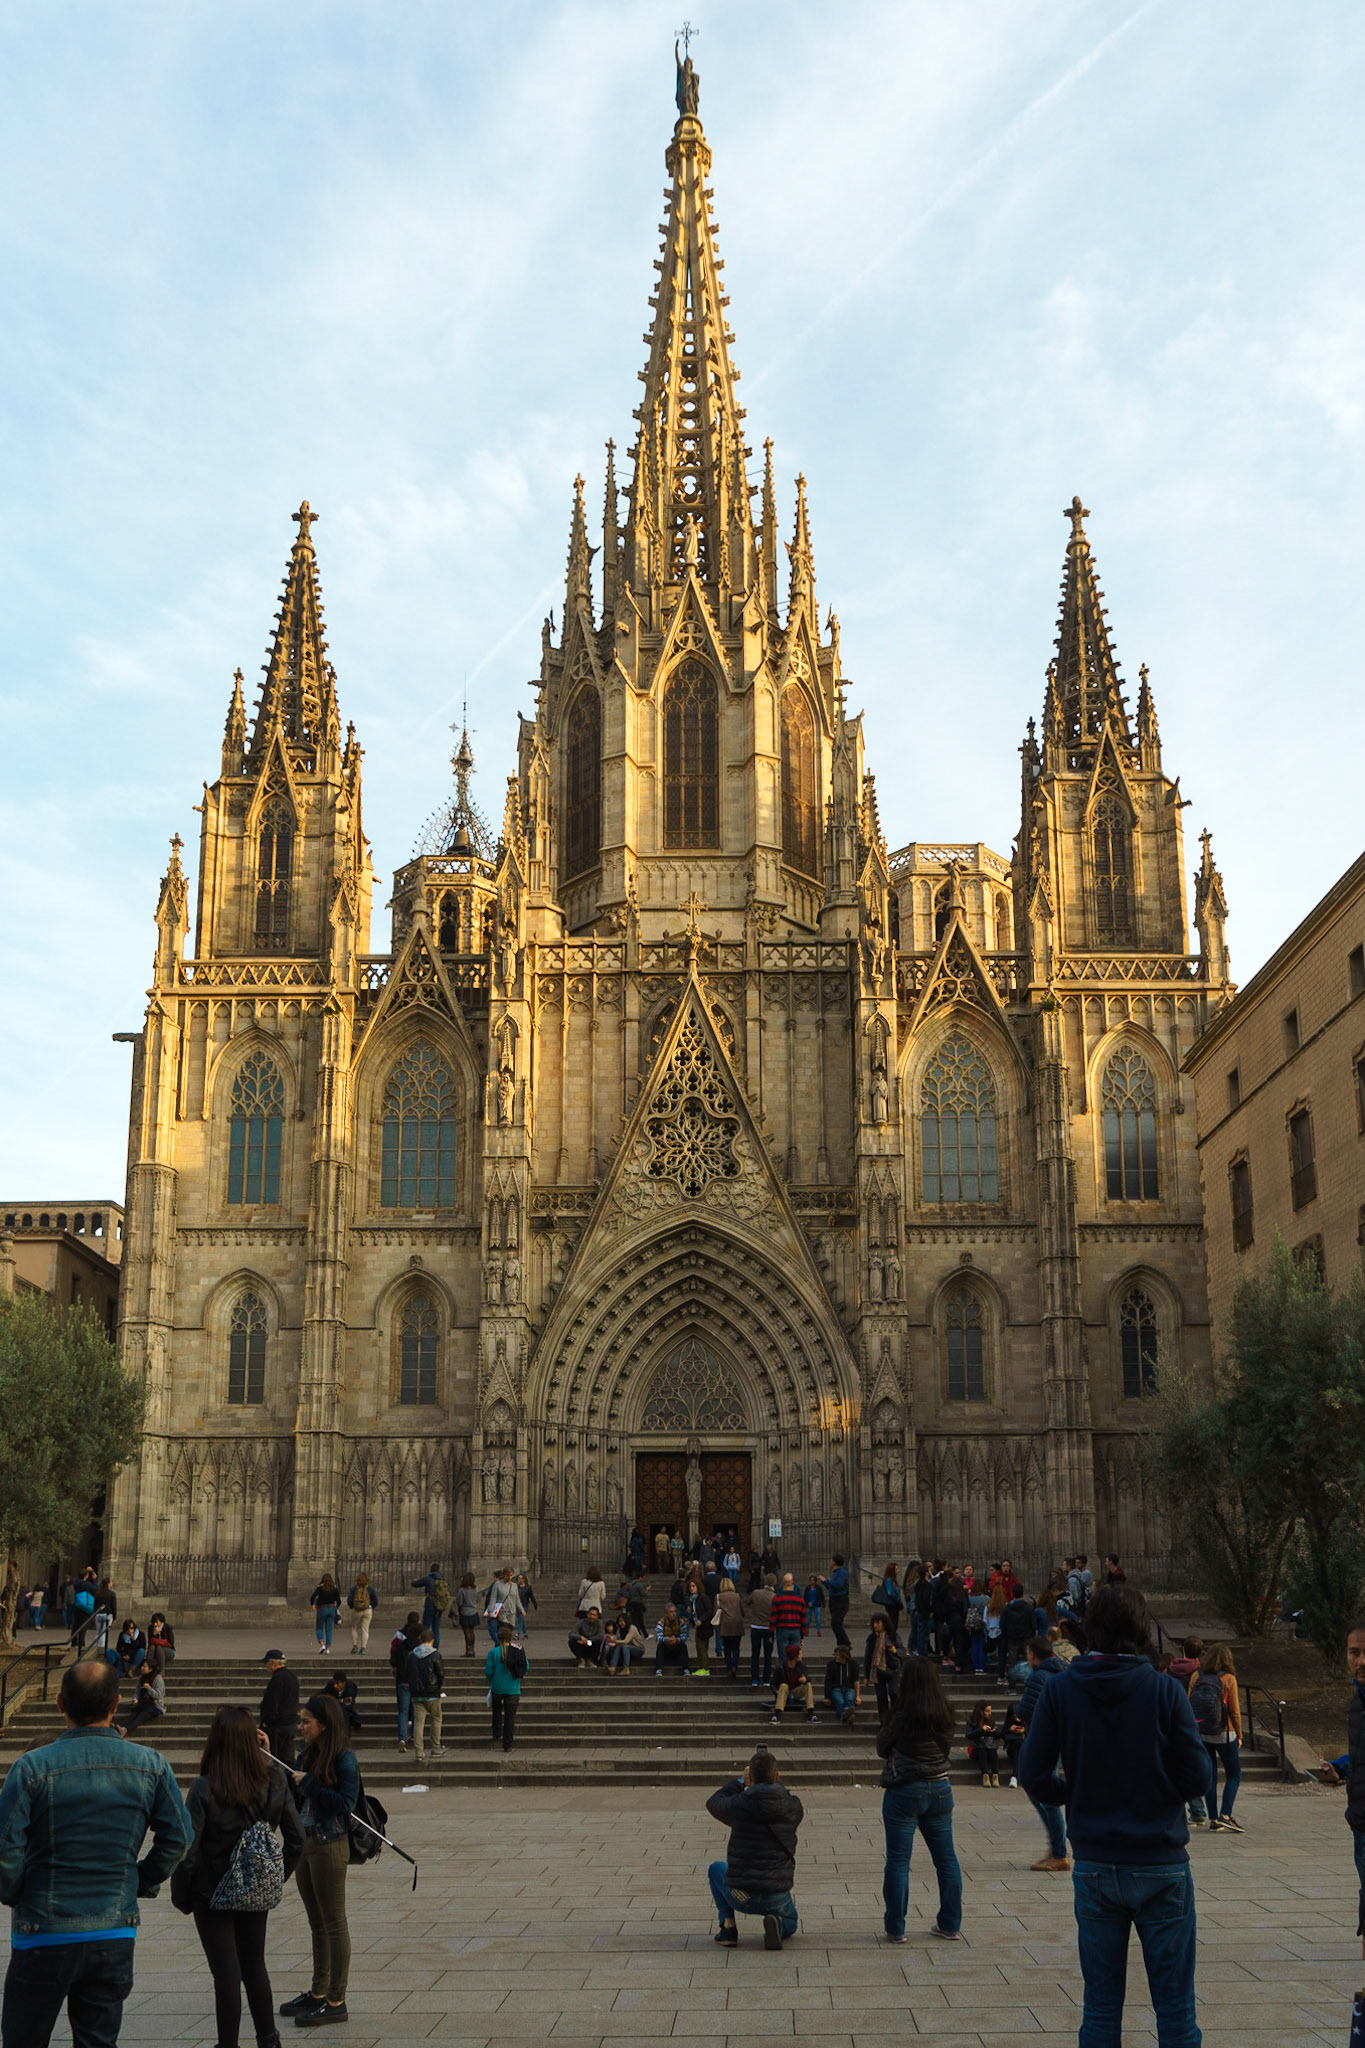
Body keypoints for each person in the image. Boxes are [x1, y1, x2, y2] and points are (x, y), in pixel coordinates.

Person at [1019, 1581, 1210, 2048]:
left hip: (1098, 1862)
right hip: (1161, 1859)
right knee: (1176, 2012)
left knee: (1101, 2010)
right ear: (1140, 1630)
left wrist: (1071, 1792)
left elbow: (1032, 1772)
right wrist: (1161, 1793)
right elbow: (1198, 1778)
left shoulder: (1062, 1690)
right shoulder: (1165, 1692)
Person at [0, 1659, 191, 2048]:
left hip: (44, 1928)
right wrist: (142, 1878)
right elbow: (180, 1837)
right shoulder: (150, 1765)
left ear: (59, 1704)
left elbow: (5, 1848)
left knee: (23, 2038)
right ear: (116, 1703)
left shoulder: (31, 1767)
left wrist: (17, 1890)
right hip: (113, 1927)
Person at [182, 1704, 303, 2048]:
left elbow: (189, 1847)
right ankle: (268, 2039)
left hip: (212, 1890)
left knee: (226, 1975)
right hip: (253, 1886)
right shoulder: (273, 1779)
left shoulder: (205, 1787)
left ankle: (228, 2044)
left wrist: (186, 1891)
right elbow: (297, 1838)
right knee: (255, 1967)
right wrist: (275, 1877)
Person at [282, 1694, 358, 2030]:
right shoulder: (307, 1754)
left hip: (330, 1845)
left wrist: (310, 1784)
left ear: (324, 1724)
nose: (301, 1727)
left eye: (306, 1722)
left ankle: (336, 1998)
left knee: (333, 1921)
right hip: (306, 1845)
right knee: (316, 1922)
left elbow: (346, 1803)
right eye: (299, 1721)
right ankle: (318, 1991)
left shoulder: (344, 1758)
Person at [876, 1656, 962, 1943]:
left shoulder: (901, 1714)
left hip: (905, 1790)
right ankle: (950, 1923)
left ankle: (896, 1928)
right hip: (940, 1788)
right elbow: (947, 1748)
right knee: (946, 1860)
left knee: (899, 1861)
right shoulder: (945, 1712)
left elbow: (881, 1747)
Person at [705, 1751, 803, 1949]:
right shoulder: (793, 1806)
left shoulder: (740, 1804)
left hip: (741, 1894)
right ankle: (779, 1924)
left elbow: (713, 1802)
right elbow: (781, 1797)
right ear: (777, 1776)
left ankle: (728, 1928)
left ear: (751, 1777)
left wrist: (741, 1781)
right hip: (776, 1893)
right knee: (792, 1921)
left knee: (715, 1869)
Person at [1018, 1636, 1068, 1870]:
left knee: (1044, 1795)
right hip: (1057, 1738)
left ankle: (1058, 1853)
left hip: (1043, 1740)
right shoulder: (1060, 1673)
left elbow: (1025, 1709)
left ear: (1034, 1655)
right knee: (1041, 1791)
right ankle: (1056, 1849)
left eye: (1028, 1653)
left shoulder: (1039, 1676)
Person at [1188, 1646, 1243, 1833]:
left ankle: (1212, 1818)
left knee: (1210, 1776)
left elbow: (1189, 1702)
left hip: (1201, 1731)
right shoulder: (1228, 1679)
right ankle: (1225, 1815)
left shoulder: (1197, 1676)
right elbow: (1235, 1712)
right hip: (1224, 1733)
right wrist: (1240, 1735)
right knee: (1234, 1774)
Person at [486, 1623, 527, 1749]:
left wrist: (492, 1679)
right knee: (510, 1717)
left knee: (497, 1711)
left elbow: (488, 1671)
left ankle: (497, 1733)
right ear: (510, 1638)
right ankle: (507, 1743)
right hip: (513, 1689)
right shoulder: (517, 1651)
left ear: (498, 1638)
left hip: (497, 1688)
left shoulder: (493, 1652)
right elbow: (526, 1666)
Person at [407, 1627, 446, 1762]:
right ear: (432, 1641)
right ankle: (435, 1747)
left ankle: (419, 1752)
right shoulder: (435, 1655)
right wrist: (437, 1687)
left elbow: (408, 1673)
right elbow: (440, 1673)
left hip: (417, 1694)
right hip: (432, 1693)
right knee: (436, 1718)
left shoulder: (412, 1655)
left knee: (418, 1722)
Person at [258, 1649, 300, 1764]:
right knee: (288, 1758)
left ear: (272, 1663)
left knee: (276, 1760)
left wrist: (267, 1721)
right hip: (290, 1724)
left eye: (266, 1663)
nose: (266, 1666)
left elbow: (272, 1704)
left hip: (278, 1728)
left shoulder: (277, 1679)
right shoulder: (292, 1677)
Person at [389, 1610, 422, 1753]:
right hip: (415, 1681)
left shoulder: (400, 1645)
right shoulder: (420, 1647)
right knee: (415, 1710)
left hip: (402, 1679)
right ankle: (415, 1734)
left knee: (403, 1711)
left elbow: (393, 1660)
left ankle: (402, 1738)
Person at [864, 1612, 904, 1723]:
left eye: (878, 1623)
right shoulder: (871, 1638)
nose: (875, 1625)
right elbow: (867, 1657)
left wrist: (896, 1651)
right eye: (874, 1623)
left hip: (892, 1669)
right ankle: (884, 1723)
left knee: (894, 1693)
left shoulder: (893, 1636)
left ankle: (896, 1719)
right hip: (877, 1671)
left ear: (884, 1623)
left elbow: (903, 1651)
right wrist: (866, 1675)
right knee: (881, 1699)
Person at [117, 1653, 167, 1737]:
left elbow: (158, 1696)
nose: (142, 1668)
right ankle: (119, 1727)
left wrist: (149, 1688)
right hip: (143, 1703)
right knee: (133, 1713)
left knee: (141, 1716)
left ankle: (125, 1730)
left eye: (145, 1667)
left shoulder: (158, 1679)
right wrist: (135, 1698)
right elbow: (137, 1692)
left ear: (150, 1669)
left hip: (155, 1705)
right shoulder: (141, 1678)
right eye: (142, 1666)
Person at [771, 1640, 817, 1724]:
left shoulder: (801, 1666)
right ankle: (776, 1715)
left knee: (808, 1685)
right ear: (795, 1657)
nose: (802, 1656)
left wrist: (805, 1679)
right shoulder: (780, 1667)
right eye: (800, 1654)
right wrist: (776, 1692)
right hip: (784, 1692)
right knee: (784, 1686)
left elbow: (808, 1678)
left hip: (796, 1692)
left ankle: (811, 1714)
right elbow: (773, 1684)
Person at [769, 1573, 808, 1669]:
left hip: (782, 1630)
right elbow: (803, 1619)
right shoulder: (799, 1599)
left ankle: (784, 1680)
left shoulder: (777, 1598)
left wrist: (771, 1634)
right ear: (792, 1583)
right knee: (795, 1657)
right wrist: (802, 1635)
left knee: (783, 1658)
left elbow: (773, 1617)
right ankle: (794, 1678)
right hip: (796, 1630)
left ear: (782, 1583)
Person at [747, 1574, 775, 1688]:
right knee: (768, 1655)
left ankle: (754, 1679)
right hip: (768, 1628)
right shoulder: (774, 1596)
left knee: (755, 1654)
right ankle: (767, 1679)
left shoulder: (756, 1593)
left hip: (756, 1626)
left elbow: (748, 1602)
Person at [823, 1642, 861, 1724]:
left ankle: (845, 1715)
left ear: (844, 1657)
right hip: (836, 1688)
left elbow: (856, 1680)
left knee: (849, 1698)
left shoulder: (853, 1664)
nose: (836, 1657)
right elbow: (828, 1681)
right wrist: (827, 1696)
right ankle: (847, 1715)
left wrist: (858, 1696)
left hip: (849, 1688)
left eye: (838, 1655)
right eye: (835, 1655)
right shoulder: (831, 1664)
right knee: (839, 1700)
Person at [714, 1575, 744, 1677]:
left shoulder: (719, 1596)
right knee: (736, 1647)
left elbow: (715, 1611)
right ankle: (735, 1665)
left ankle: (729, 1667)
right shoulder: (737, 1596)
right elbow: (742, 1610)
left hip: (725, 1625)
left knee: (726, 1648)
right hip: (737, 1624)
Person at [966, 1701, 1001, 1785]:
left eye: (990, 1711)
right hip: (976, 1747)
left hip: (988, 1745)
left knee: (992, 1751)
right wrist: (981, 1730)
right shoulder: (972, 1721)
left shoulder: (991, 1721)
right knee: (982, 1751)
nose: (990, 1713)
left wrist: (994, 1732)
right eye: (987, 1711)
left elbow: (998, 1736)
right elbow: (968, 1735)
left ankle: (995, 1776)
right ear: (981, 1712)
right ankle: (985, 1775)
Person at [483, 1567, 522, 1643]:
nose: (509, 1577)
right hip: (502, 1613)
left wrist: (521, 1609)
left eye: (511, 1575)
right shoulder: (497, 1585)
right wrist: (490, 1611)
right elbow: (493, 1598)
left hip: (512, 1614)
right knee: (504, 1634)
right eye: (507, 1575)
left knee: (508, 1634)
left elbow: (517, 1599)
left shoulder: (514, 1586)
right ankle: (503, 1651)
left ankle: (501, 1651)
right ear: (503, 1575)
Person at [654, 1604, 692, 1677]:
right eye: (671, 1612)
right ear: (667, 1613)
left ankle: (686, 1669)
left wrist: (677, 1640)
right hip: (666, 1648)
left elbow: (685, 1636)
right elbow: (658, 1637)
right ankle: (659, 1669)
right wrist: (667, 1639)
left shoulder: (680, 1622)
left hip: (676, 1647)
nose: (674, 1614)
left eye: (675, 1612)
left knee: (683, 1645)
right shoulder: (661, 1622)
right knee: (660, 1645)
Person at [410, 1563, 444, 1644]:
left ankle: (425, 1645)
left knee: (425, 1627)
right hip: (439, 1606)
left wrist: (413, 1581)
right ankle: (435, 1648)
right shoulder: (442, 1579)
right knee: (436, 1630)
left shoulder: (428, 1578)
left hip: (430, 1605)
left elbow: (415, 1584)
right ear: (438, 1570)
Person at [822, 1554, 851, 1649]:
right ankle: (840, 1645)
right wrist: (825, 1582)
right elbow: (831, 1586)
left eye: (831, 1560)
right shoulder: (835, 1572)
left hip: (841, 1600)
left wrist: (826, 1581)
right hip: (834, 1600)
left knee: (835, 1623)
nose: (830, 1562)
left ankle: (846, 1642)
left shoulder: (842, 1572)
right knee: (838, 1623)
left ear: (834, 1562)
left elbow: (838, 1585)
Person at [322, 1672, 363, 1736]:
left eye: (338, 1683)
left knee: (344, 1709)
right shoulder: (330, 1685)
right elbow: (321, 1695)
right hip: (334, 1712)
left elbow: (349, 1702)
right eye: (334, 1683)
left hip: (347, 1713)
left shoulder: (350, 1687)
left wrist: (334, 1702)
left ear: (344, 1683)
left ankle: (345, 1735)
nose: (335, 1686)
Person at [309, 1575, 341, 1656]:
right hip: (332, 1609)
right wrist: (336, 1607)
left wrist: (312, 1604)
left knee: (319, 1628)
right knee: (329, 1629)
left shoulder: (320, 1588)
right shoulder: (334, 1588)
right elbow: (339, 1600)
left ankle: (322, 1644)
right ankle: (328, 1648)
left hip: (322, 1609)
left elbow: (313, 1596)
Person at [345, 1573, 374, 1654]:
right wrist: (370, 1606)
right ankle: (363, 1648)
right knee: (365, 1629)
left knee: (354, 1628)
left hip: (356, 1610)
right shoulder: (370, 1589)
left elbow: (349, 1600)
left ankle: (355, 1646)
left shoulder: (354, 1589)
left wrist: (352, 1606)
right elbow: (375, 1601)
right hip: (367, 1610)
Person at [874, 1563, 904, 1639]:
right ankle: (890, 1639)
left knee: (894, 1623)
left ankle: (891, 1638)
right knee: (892, 1623)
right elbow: (890, 1592)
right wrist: (897, 1600)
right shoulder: (889, 1580)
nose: (898, 1571)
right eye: (896, 1569)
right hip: (892, 1604)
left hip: (894, 1604)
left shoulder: (893, 1580)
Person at [454, 1574, 480, 1657]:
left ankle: (468, 1650)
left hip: (465, 1611)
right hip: (474, 1611)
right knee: (472, 1631)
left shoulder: (462, 1590)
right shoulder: (475, 1589)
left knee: (466, 1632)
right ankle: (472, 1649)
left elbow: (460, 1602)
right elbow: (477, 1599)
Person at [515, 1572, 538, 1636]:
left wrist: (535, 1604)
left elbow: (532, 1596)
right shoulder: (516, 1587)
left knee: (520, 1618)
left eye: (520, 1578)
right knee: (520, 1619)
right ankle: (525, 1633)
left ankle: (518, 1633)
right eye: (518, 1578)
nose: (519, 1579)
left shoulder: (528, 1588)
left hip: (524, 1605)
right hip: (517, 1605)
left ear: (524, 1579)